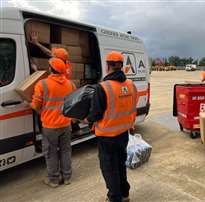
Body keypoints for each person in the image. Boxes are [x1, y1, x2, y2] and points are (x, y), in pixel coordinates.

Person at [85, 51, 137, 202]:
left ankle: (114, 197)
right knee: (120, 165)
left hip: (107, 137)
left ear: (108, 66)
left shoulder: (103, 87)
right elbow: (132, 107)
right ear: (121, 66)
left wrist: (85, 119)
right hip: (123, 134)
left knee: (109, 169)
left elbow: (96, 114)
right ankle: (125, 194)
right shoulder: (130, 85)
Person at [31, 58, 75, 188]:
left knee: (51, 153)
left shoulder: (42, 84)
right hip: (66, 125)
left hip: (50, 126)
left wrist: (29, 103)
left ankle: (54, 180)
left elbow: (36, 105)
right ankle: (67, 177)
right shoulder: (70, 84)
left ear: (50, 69)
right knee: (66, 151)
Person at [30, 32, 81, 134]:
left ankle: (68, 129)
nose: (52, 55)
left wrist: (36, 71)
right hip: (65, 93)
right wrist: (37, 43)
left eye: (54, 55)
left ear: (58, 59)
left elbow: (49, 81)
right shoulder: (66, 63)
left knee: (46, 112)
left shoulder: (59, 68)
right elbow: (50, 53)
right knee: (66, 111)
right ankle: (75, 128)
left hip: (57, 93)